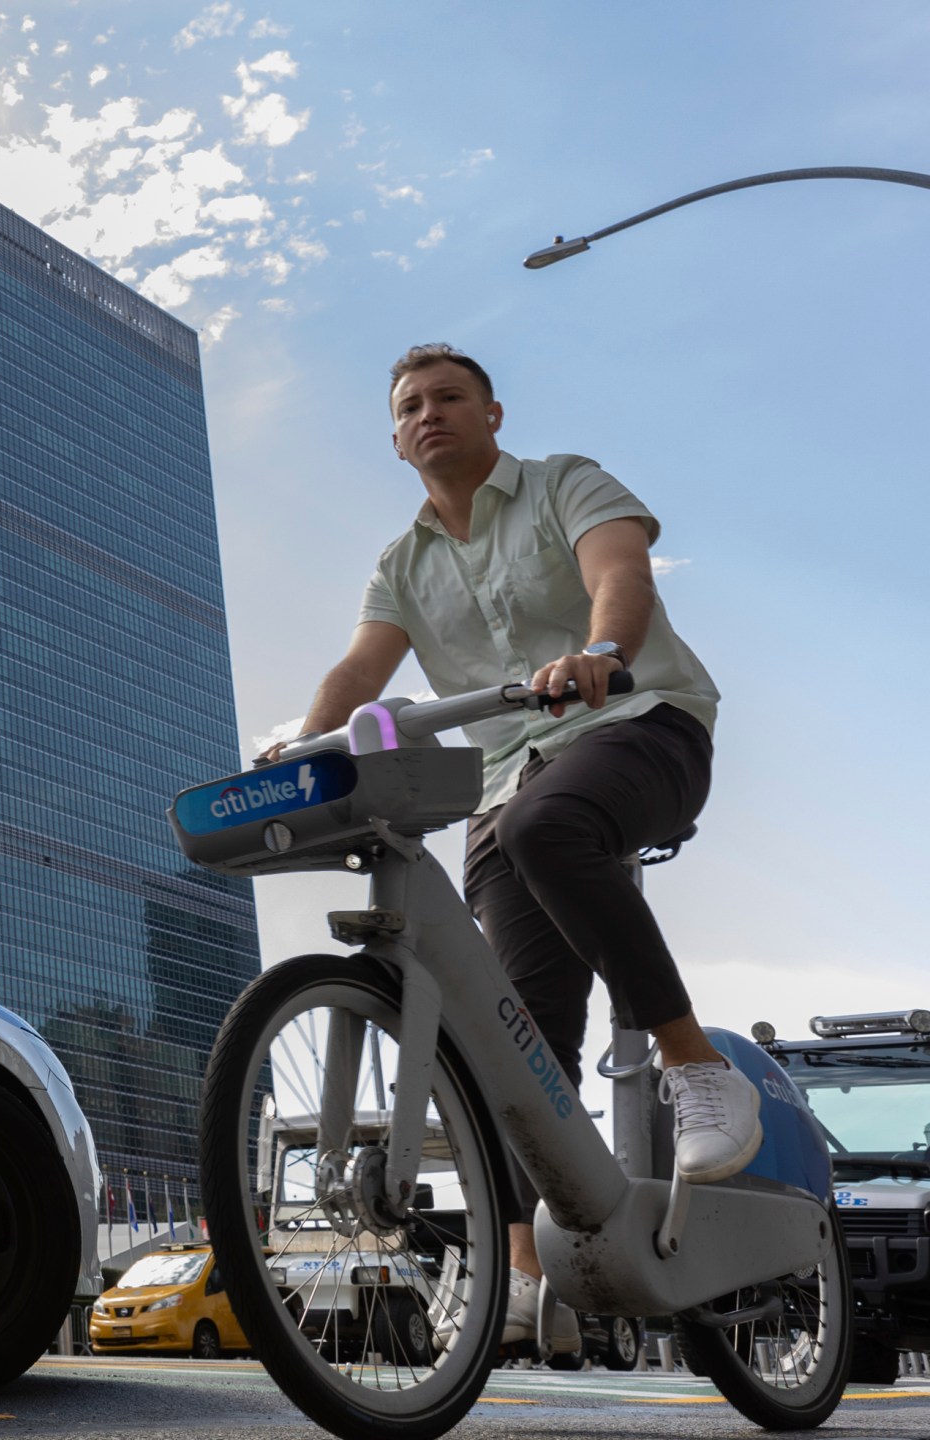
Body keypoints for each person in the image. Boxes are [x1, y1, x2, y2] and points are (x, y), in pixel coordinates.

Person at [261, 343, 751, 1345]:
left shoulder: (562, 482)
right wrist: (296, 745)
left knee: (546, 825)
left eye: (449, 397)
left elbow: (616, 570)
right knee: (515, 1033)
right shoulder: (401, 563)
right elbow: (361, 667)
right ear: (396, 440)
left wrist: (600, 652)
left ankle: (695, 1065)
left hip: (634, 728)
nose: (428, 414)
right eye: (409, 407)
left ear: (491, 412)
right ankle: (532, 1278)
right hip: (502, 780)